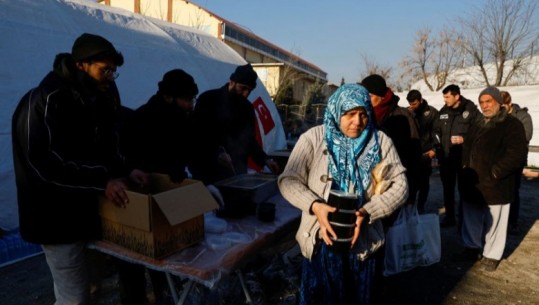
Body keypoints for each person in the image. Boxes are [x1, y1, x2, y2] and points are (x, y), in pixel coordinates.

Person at [11, 33, 147, 305]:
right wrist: (102, 181)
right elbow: (44, 165)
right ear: (81, 64)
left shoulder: (94, 99)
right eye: (104, 69)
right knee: (74, 297)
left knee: (93, 286)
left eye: (114, 71)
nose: (110, 77)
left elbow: (106, 147)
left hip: (89, 214)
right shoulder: (45, 100)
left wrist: (127, 169)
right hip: (54, 219)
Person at [278, 83, 408, 305]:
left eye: (363, 114)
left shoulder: (380, 142)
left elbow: (401, 185)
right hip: (321, 244)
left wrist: (367, 212)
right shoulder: (314, 139)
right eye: (349, 114)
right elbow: (288, 180)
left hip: (364, 246)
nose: (357, 122)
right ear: (337, 110)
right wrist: (315, 206)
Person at [117, 69, 199, 305]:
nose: (191, 105)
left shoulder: (182, 118)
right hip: (139, 203)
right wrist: (158, 170)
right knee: (134, 266)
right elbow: (126, 160)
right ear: (168, 96)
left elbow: (190, 150)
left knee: (167, 261)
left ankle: (166, 295)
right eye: (187, 100)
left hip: (170, 198)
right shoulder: (142, 119)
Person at [458, 86, 527, 271]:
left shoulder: (512, 125)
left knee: (495, 221)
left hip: (497, 183)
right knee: (471, 216)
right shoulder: (478, 123)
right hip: (473, 182)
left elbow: (517, 154)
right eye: (481, 102)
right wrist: (465, 167)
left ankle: (492, 255)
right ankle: (472, 247)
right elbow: (467, 148)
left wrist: (496, 172)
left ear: (498, 102)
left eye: (488, 101)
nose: (484, 106)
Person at [190, 63, 279, 184]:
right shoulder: (208, 100)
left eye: (249, 90)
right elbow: (196, 136)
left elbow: (249, 141)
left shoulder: (247, 108)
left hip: (237, 172)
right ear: (232, 82)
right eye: (242, 88)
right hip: (208, 172)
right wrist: (216, 154)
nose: (246, 94)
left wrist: (265, 160)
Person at [360, 74, 422, 209]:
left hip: (396, 187)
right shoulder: (363, 117)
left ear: (381, 96)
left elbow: (414, 155)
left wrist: (411, 191)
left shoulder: (403, 117)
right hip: (370, 187)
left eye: (369, 96)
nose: (365, 99)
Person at [432, 84, 482, 227]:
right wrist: (438, 146)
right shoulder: (443, 111)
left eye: (447, 97)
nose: (445, 100)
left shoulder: (471, 111)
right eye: (444, 97)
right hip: (446, 159)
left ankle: (464, 218)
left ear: (456, 96)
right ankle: (449, 217)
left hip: (464, 160)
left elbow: (481, 133)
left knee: (464, 190)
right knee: (448, 190)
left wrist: (464, 140)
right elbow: (435, 130)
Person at [500, 90, 533, 234]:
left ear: (509, 104)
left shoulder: (523, 116)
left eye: (503, 107)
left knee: (513, 189)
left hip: (516, 158)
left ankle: (512, 221)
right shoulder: (498, 116)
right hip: (499, 158)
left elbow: (526, 136)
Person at [406, 89, 439, 213]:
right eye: (410, 104)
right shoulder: (408, 112)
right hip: (413, 153)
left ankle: (421, 207)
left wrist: (434, 150)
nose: (412, 106)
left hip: (426, 153)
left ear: (420, 100)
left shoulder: (432, 113)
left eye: (414, 104)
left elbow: (438, 133)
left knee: (424, 182)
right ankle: (411, 206)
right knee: (411, 182)